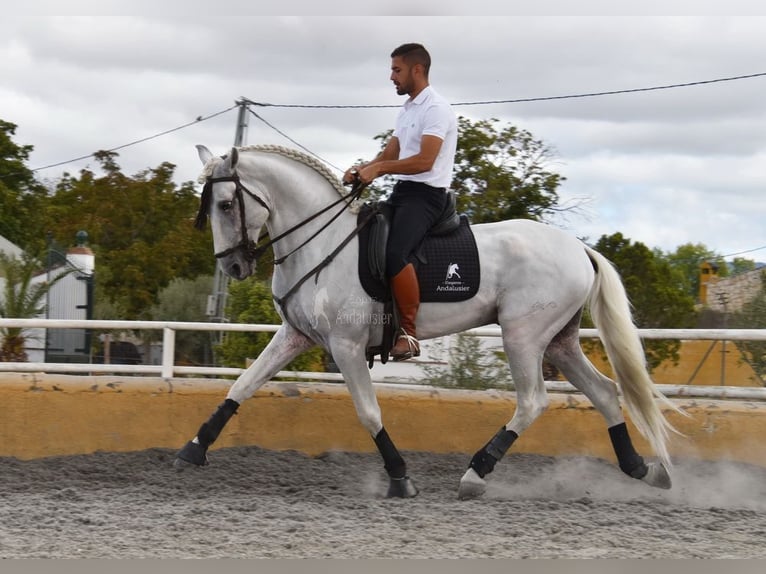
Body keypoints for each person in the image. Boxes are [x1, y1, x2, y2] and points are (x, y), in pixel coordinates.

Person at [344, 43, 458, 361]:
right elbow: (390, 154)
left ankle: (408, 333)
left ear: (416, 70)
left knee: (395, 253)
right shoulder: (408, 109)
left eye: (396, 70)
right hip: (403, 193)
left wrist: (379, 168)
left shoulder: (435, 108)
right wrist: (363, 168)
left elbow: (425, 161)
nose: (391, 76)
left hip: (428, 197)